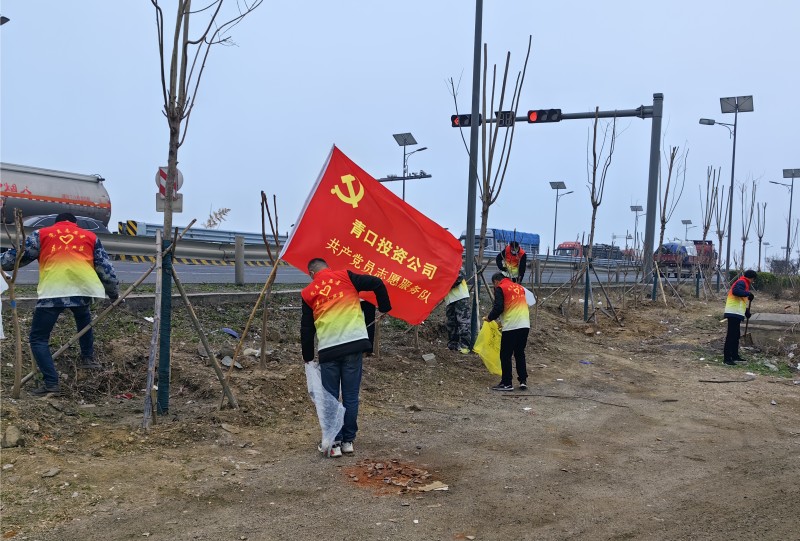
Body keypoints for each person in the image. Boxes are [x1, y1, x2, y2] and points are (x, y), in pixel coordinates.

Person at [0, 212, 120, 397]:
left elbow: (17, 258)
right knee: (84, 320)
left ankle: (51, 383)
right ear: (75, 223)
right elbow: (106, 269)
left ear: (56, 223)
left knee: (38, 339)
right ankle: (87, 358)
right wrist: (114, 294)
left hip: (54, 290)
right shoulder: (90, 236)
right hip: (83, 289)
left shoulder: (42, 234)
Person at [300, 258, 391, 457]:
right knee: (350, 396)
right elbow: (376, 282)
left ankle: (334, 443)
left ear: (312, 274)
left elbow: (306, 329)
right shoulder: (346, 277)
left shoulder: (308, 293)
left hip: (329, 350)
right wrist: (384, 307)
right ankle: (348, 441)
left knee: (331, 397)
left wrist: (308, 357)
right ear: (328, 268)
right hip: (354, 345)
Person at [484, 272, 530, 391]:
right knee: (519, 353)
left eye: (493, 284)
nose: (494, 287)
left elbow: (499, 307)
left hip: (512, 326)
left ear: (496, 281)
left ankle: (507, 383)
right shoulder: (519, 287)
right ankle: (523, 380)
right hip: (525, 324)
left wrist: (489, 318)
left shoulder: (501, 288)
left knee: (505, 354)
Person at [723, 269, 756, 366]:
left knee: (736, 335)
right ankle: (727, 358)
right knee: (731, 336)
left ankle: (734, 356)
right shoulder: (742, 282)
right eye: (753, 279)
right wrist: (748, 294)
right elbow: (736, 291)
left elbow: (741, 300)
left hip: (736, 313)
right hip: (733, 312)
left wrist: (746, 312)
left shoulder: (744, 284)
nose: (753, 281)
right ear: (751, 278)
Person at [444, 268, 471, 354]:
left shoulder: (455, 263)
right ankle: (453, 344)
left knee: (463, 321)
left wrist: (446, 285)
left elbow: (460, 276)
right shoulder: (440, 266)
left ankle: (465, 345)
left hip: (460, 297)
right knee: (451, 322)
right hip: (449, 299)